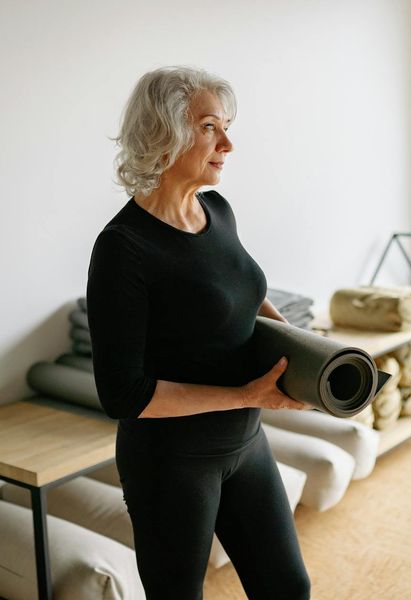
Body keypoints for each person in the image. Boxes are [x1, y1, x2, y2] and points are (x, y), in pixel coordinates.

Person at [86, 66, 312, 600]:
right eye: (211, 127)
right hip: (172, 463)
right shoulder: (123, 248)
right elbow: (124, 394)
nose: (228, 143)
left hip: (245, 443)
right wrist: (243, 394)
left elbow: (246, 293)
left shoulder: (217, 210)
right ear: (165, 133)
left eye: (226, 126)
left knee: (288, 587)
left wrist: (311, 352)